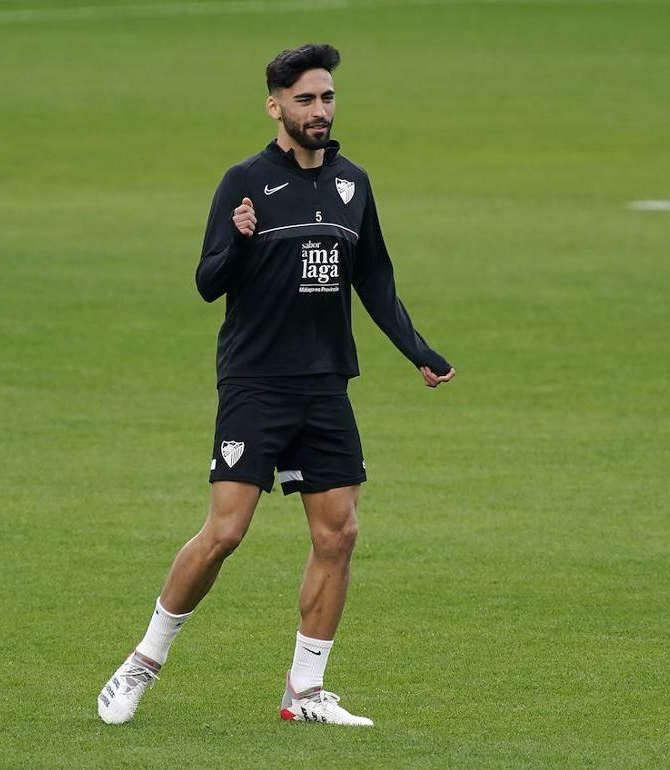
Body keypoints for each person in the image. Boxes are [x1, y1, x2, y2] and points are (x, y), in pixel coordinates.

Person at [97, 44, 455, 728]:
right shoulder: (244, 181)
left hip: (326, 384)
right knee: (226, 532)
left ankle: (306, 691)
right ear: (275, 106)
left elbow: (373, 277)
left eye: (327, 98)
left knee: (339, 532)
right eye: (305, 100)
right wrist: (236, 240)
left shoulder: (353, 184)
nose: (319, 111)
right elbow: (207, 283)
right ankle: (143, 661)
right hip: (256, 383)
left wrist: (417, 350)